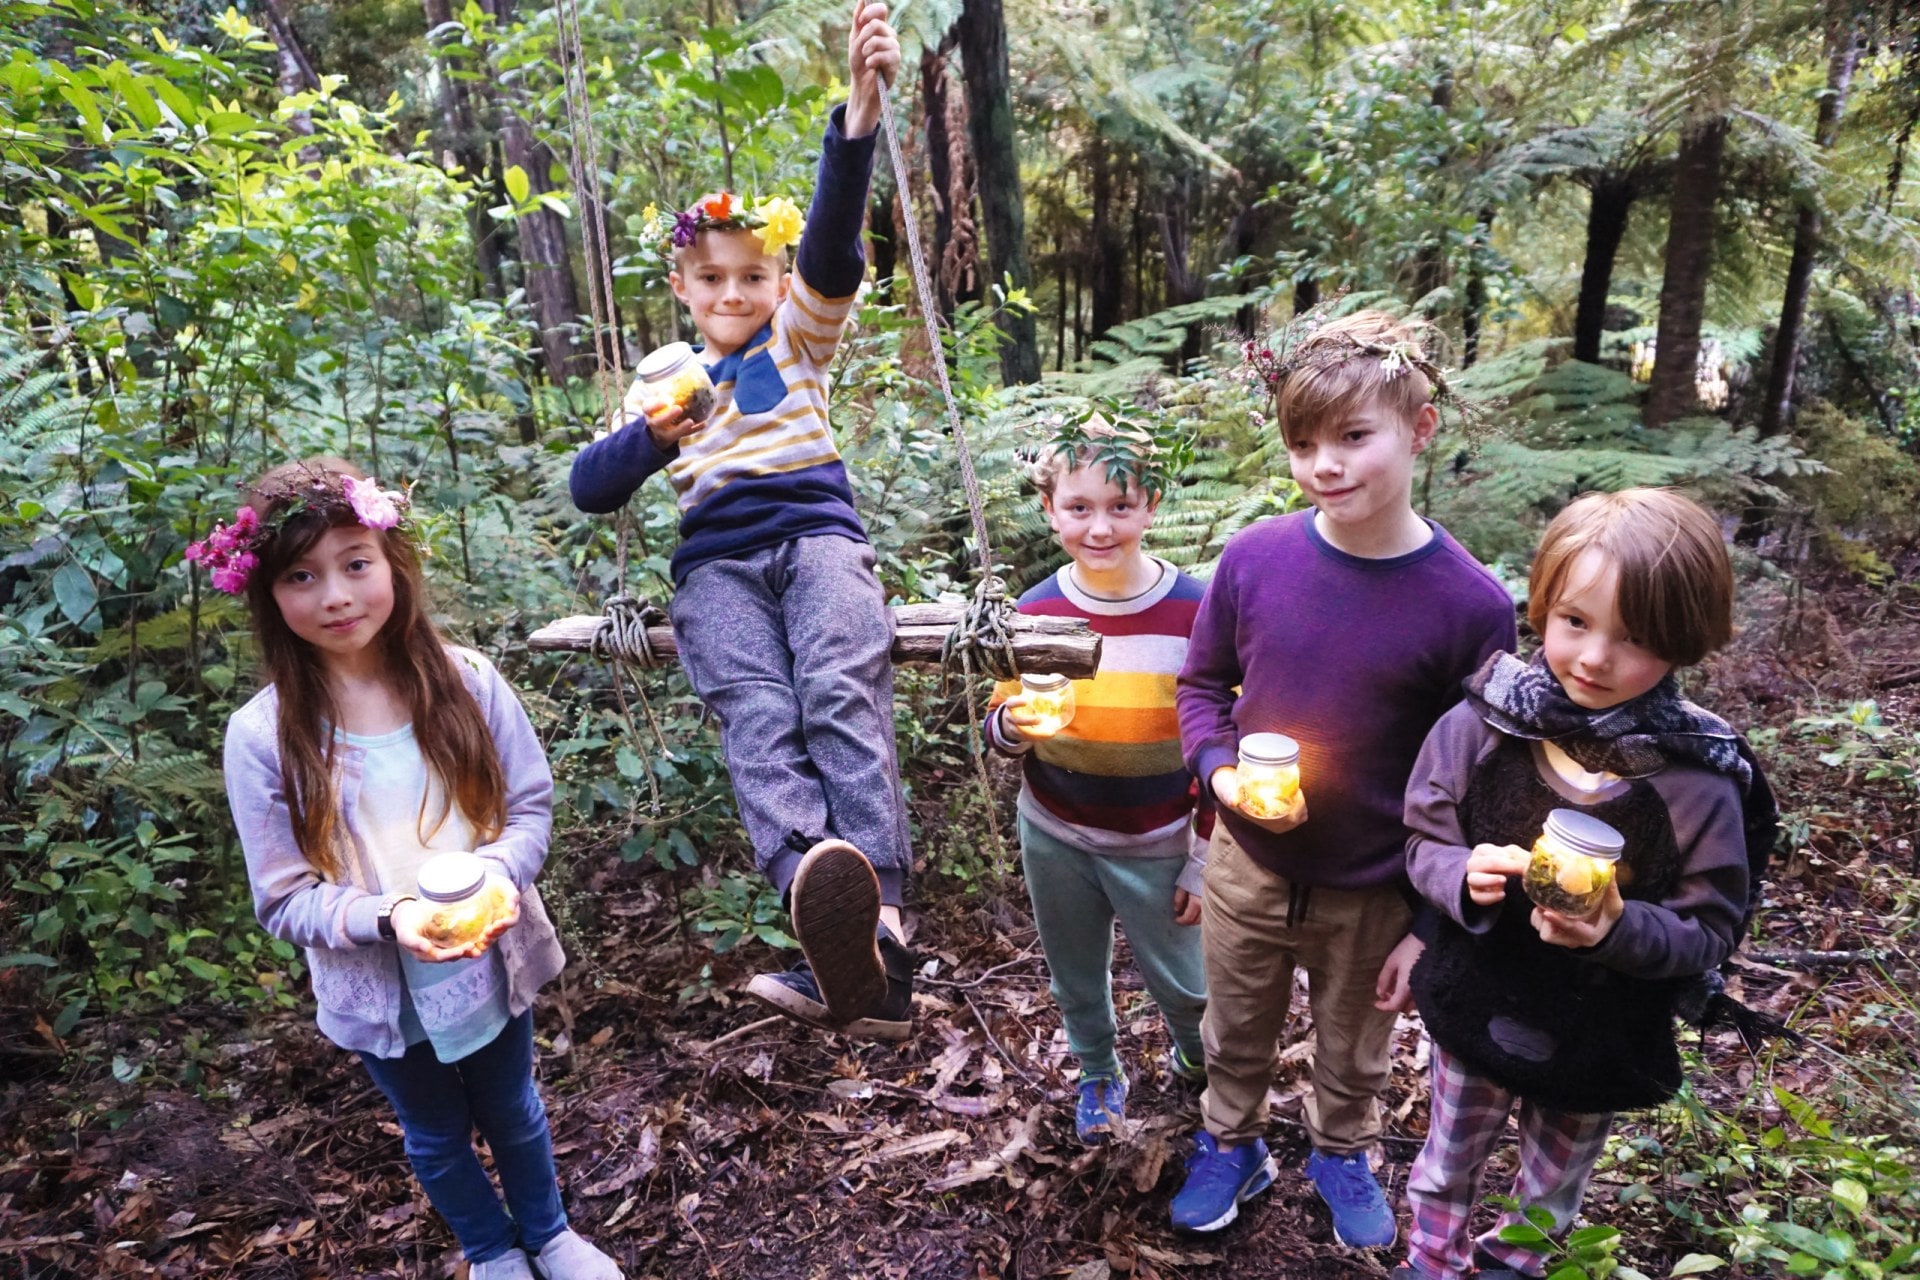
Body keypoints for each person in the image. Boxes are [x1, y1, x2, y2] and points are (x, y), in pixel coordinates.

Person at [568, 3, 912, 1040]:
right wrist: (657, 432)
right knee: (757, 712)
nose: (732, 291)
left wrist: (856, 115)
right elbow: (592, 487)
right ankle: (822, 900)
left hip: (818, 541)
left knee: (839, 684)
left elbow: (836, 243)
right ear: (681, 286)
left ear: (776, 282)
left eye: (751, 275)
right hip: (713, 563)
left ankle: (883, 918)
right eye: (711, 278)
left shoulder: (798, 341)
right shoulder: (662, 378)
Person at [211, 459, 617, 1280]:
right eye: (302, 575)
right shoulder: (263, 739)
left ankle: (549, 1235)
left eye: (356, 563)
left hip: (492, 957)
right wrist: (388, 918)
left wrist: (498, 877)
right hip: (384, 987)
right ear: (267, 593)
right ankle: (492, 1252)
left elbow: (529, 808)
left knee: (513, 1105)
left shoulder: (467, 683)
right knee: (435, 1131)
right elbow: (284, 896)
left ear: (392, 562)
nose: (336, 596)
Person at [1172, 312, 1517, 1242]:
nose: (1325, 464)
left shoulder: (1470, 604)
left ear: (1420, 427)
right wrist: (1216, 773)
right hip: (1250, 863)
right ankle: (1230, 1140)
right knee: (1233, 1025)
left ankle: (1340, 1150)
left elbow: (1482, 782)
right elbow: (1202, 686)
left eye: (1353, 437)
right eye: (1302, 444)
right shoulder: (1255, 559)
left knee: (1356, 1043)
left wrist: (1427, 924)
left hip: (1374, 886)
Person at [1393, 488, 1753, 1279]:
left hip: (1599, 1028)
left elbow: (1711, 928)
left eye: (1634, 639)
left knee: (1554, 1187)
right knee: (1447, 1159)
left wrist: (1618, 931)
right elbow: (1422, 834)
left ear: (1686, 641)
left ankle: (1513, 1267)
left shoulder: (1698, 780)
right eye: (1575, 622)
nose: (1593, 658)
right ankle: (1431, 1259)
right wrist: (1459, 872)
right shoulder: (1487, 723)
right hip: (1476, 999)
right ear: (1543, 605)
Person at [986, 413, 1211, 1145]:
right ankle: (1097, 1070)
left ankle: (1201, 1060)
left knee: (1186, 982)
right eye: (1079, 508)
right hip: (1055, 828)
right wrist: (1011, 729)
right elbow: (999, 716)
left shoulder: (1196, 610)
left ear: (1153, 504)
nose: (1101, 527)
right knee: (1074, 968)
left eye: (1121, 506)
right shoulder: (1035, 609)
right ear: (1050, 511)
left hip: (1161, 838)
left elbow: (1221, 740)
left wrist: (1205, 858)